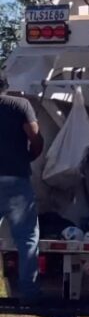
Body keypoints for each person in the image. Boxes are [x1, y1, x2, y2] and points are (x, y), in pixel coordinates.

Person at [0, 76, 44, 302]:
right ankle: (29, 291)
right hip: (16, 179)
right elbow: (35, 138)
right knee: (26, 238)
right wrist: (28, 157)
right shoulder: (19, 105)